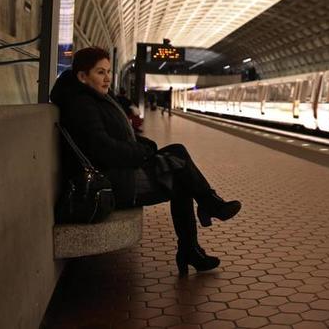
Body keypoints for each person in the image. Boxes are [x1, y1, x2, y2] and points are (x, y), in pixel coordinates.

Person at [50, 47, 241, 276]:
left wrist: (145, 147)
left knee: (178, 156)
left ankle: (201, 225)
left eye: (109, 71)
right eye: (100, 72)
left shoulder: (94, 98)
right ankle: (204, 219)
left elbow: (116, 139)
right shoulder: (82, 105)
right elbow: (104, 150)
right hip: (107, 186)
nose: (107, 78)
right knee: (181, 180)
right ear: (82, 76)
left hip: (116, 173)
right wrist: (142, 153)